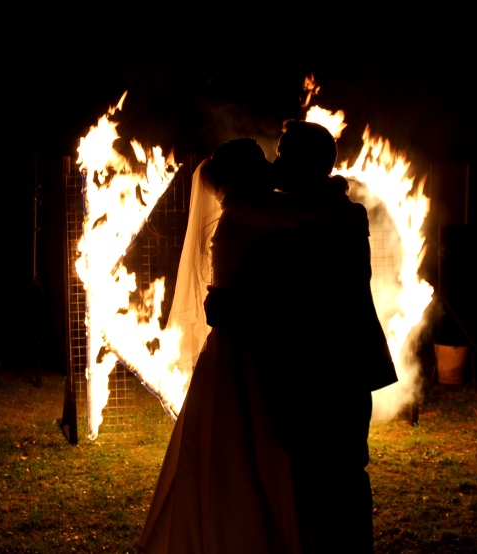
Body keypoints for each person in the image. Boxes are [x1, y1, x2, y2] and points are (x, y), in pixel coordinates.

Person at [206, 120, 398, 553]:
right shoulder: (313, 212)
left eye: (284, 155)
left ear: (310, 163)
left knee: (339, 479)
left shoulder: (333, 217)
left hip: (331, 372)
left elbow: (291, 293)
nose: (276, 164)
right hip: (315, 372)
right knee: (315, 479)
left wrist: (232, 304)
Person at [137, 138, 304, 554]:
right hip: (247, 353)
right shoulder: (250, 217)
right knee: (250, 446)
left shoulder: (243, 215)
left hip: (239, 349)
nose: (272, 168)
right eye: (263, 163)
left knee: (234, 448)